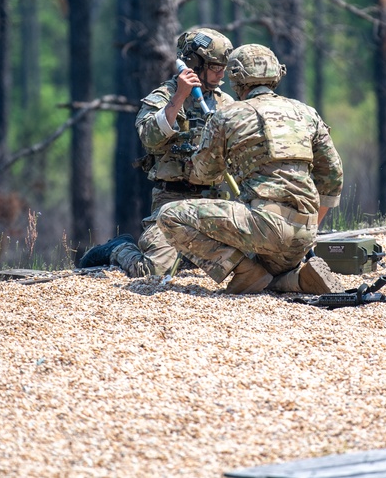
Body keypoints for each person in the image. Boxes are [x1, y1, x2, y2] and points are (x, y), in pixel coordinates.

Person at [155, 44, 345, 295]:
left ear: (236, 79)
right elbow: (333, 176)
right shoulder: (306, 113)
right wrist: (310, 227)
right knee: (269, 262)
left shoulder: (227, 116)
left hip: (263, 227)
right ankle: (293, 280)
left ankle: (244, 271)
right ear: (277, 74)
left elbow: (202, 174)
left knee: (169, 216)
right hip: (304, 233)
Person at [78, 27, 235, 277]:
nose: (221, 73)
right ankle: (118, 248)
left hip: (215, 203)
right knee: (152, 271)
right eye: (216, 66)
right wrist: (180, 97)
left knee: (243, 264)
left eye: (224, 67)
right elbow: (150, 139)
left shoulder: (227, 103)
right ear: (195, 63)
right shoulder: (163, 97)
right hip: (172, 203)